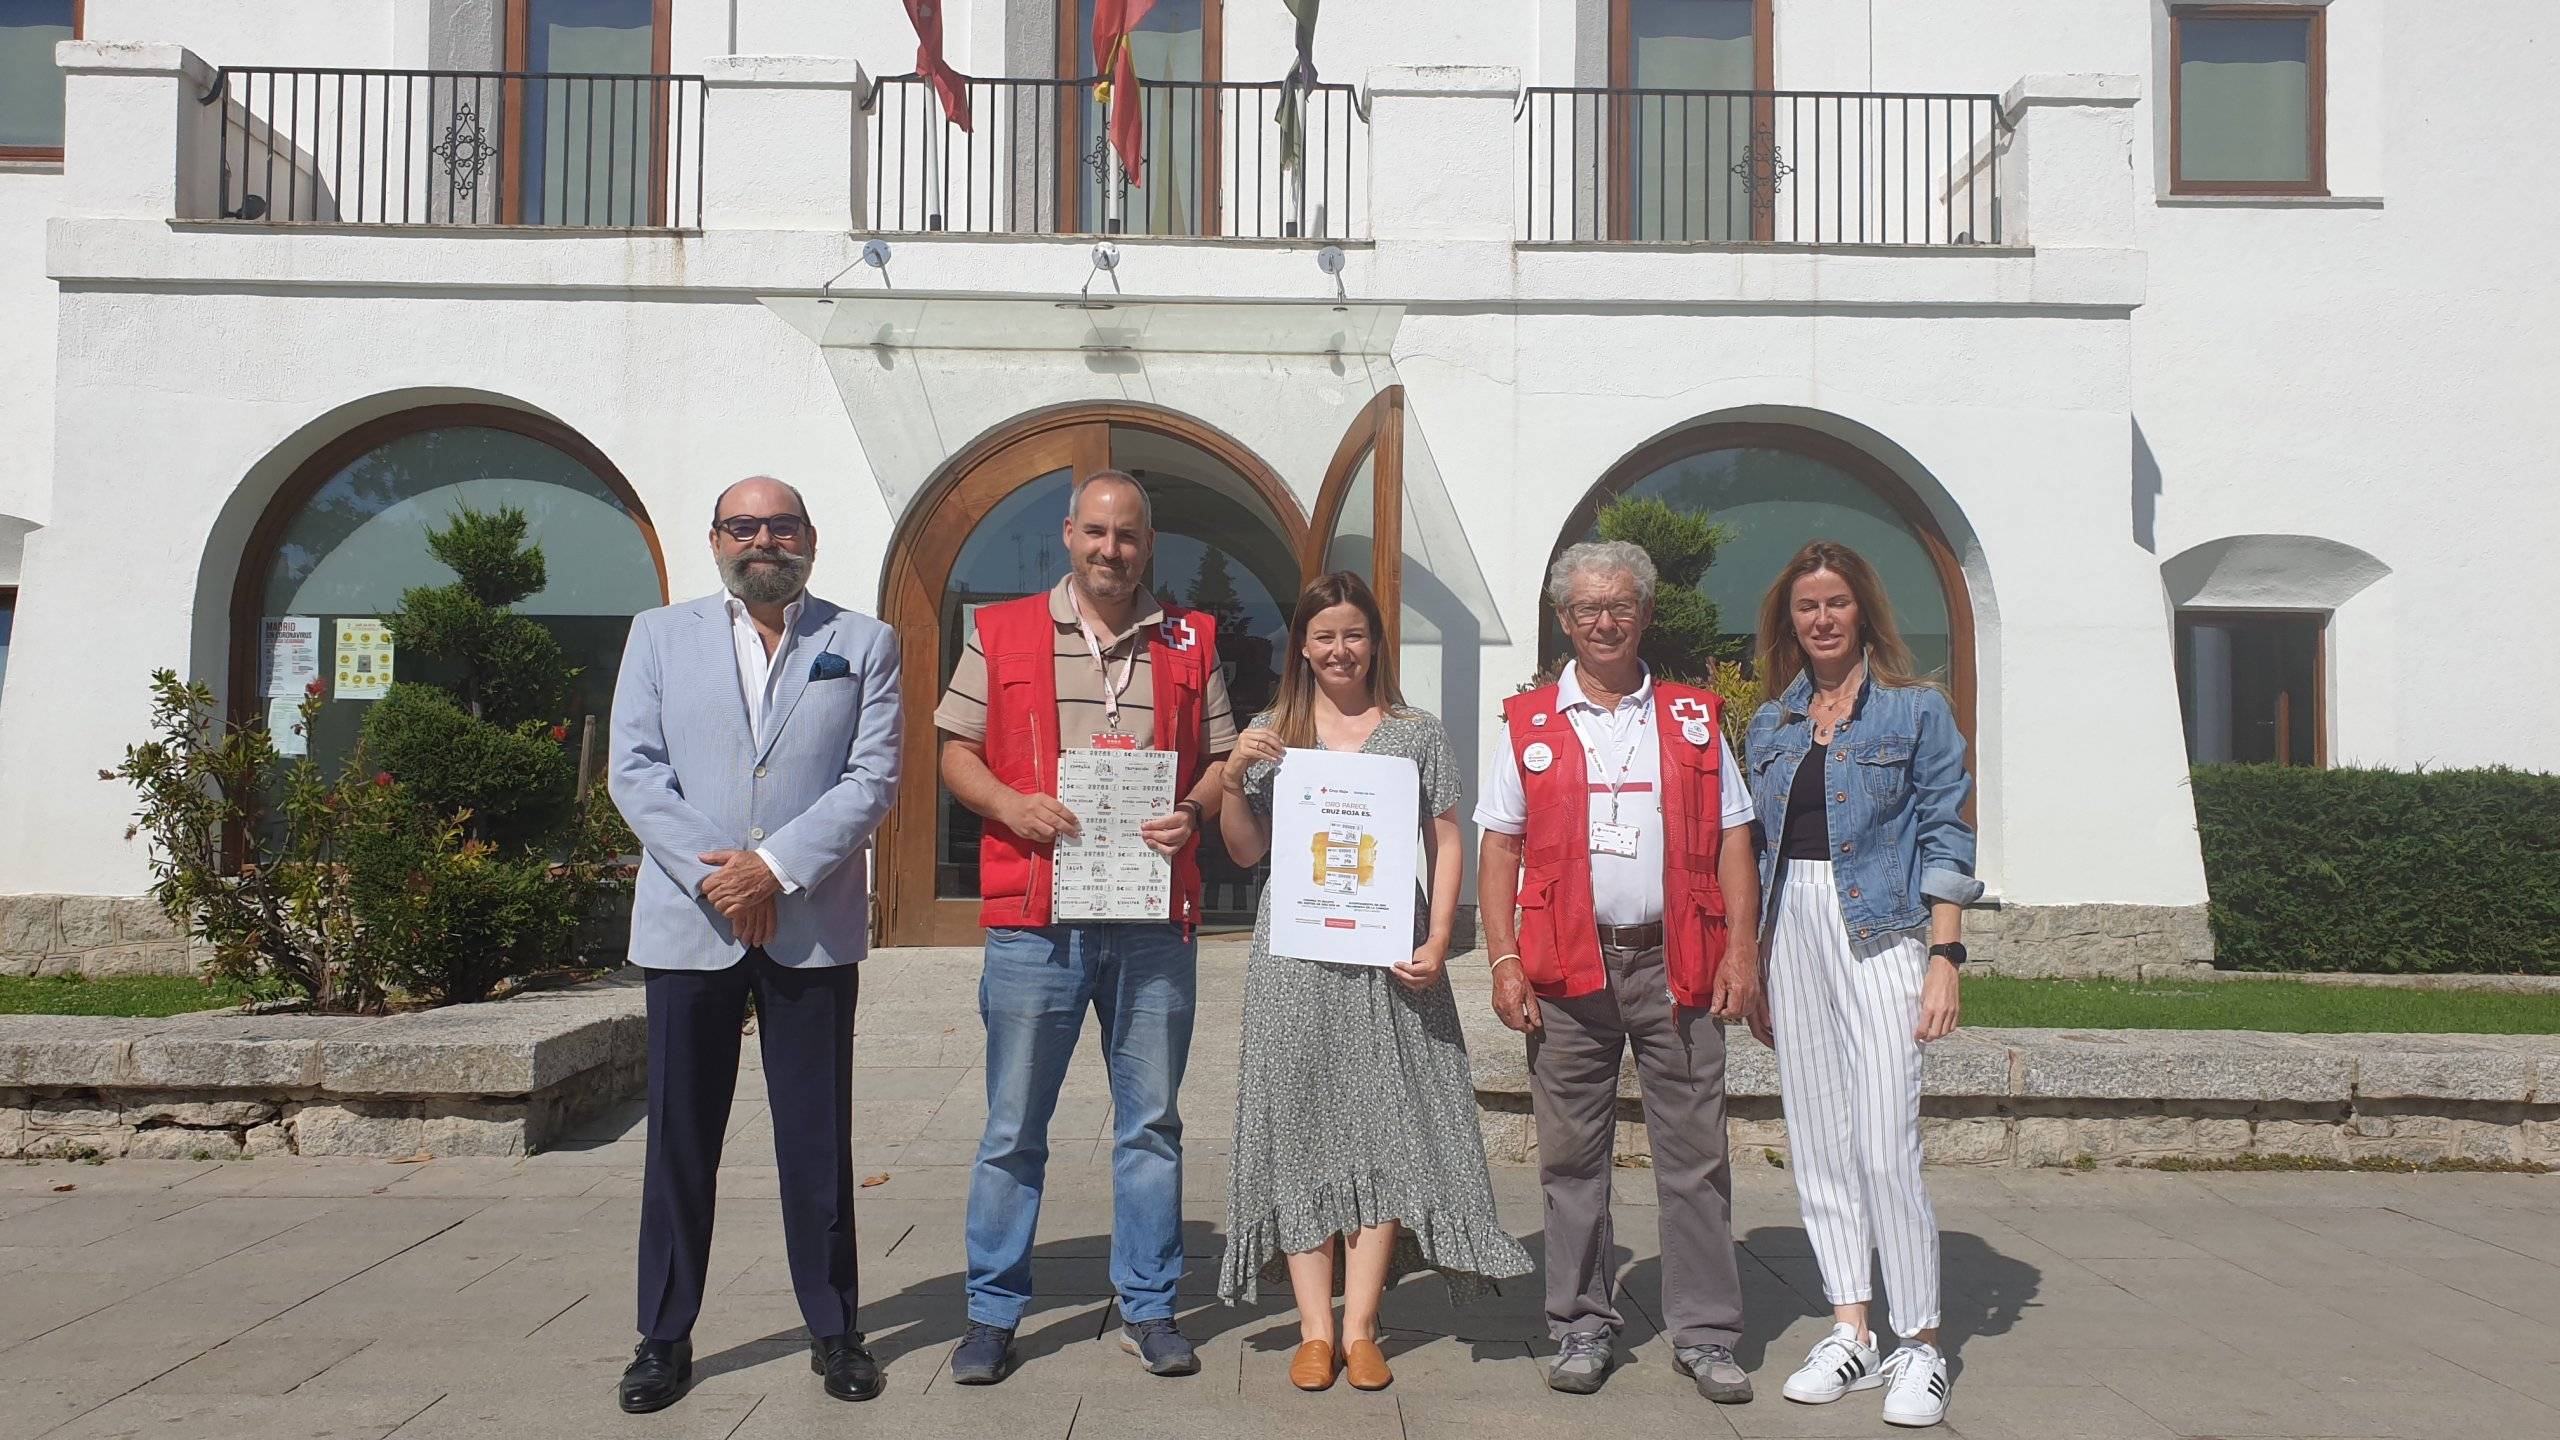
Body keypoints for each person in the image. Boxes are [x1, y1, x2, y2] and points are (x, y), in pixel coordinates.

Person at [607, 478, 902, 1413]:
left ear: (809, 537)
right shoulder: (658, 636)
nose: (762, 540)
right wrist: (720, 877)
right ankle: (663, 1336)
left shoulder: (862, 642)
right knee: (680, 1141)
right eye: (744, 526)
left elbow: (873, 776)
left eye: (781, 525)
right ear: (716, 539)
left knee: (816, 1140)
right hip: (690, 924)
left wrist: (773, 870)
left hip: (809, 925)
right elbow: (637, 772)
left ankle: (835, 1328)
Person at [935, 469, 1236, 1384]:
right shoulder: (1002, 628)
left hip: (1150, 918)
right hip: (1037, 918)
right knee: (1014, 1127)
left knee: (1150, 1123)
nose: (1113, 550)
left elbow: (1220, 758)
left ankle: (1149, 1306)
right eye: (1097, 533)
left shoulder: (1193, 636)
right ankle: (993, 1312)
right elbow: (955, 749)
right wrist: (1009, 805)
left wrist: (1191, 809)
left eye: (1130, 536)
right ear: (1069, 535)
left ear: (1150, 545)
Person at [1215, 572, 1533, 1393]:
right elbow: (1246, 851)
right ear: (1302, 646)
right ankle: (1313, 1330)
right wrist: (1229, 780)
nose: (1339, 650)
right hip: (1294, 958)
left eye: (1353, 633)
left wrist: (1439, 937)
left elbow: (1448, 836)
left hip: (1391, 956)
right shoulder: (1269, 733)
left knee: (1384, 1130)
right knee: (1298, 1123)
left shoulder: (1415, 732)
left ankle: (1360, 1328)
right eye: (1323, 635)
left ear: (1375, 643)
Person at [1476, 540, 1763, 1403]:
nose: (1604, 622)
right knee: (1571, 1160)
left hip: (1676, 961)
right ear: (1564, 621)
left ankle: (1707, 1334)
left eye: (1621, 606)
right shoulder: (1529, 721)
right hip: (1567, 967)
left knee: (1696, 1156)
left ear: (1643, 613)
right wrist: (1502, 959)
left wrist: (1743, 950)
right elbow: (1501, 846)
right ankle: (1581, 1325)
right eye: (1586, 609)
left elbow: (1735, 837)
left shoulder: (1692, 717)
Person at [1742, 540, 1981, 1430]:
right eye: (1807, 606)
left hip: (1881, 931)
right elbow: (1755, 851)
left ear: (1862, 610)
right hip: (1790, 934)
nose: (1822, 618)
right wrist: (1751, 962)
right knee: (1819, 1142)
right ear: (1789, 622)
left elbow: (1945, 834)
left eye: (1836, 602)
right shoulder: (1770, 726)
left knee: (1887, 1144)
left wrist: (1945, 957)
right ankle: (1853, 1327)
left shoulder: (1916, 713)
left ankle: (1921, 1343)